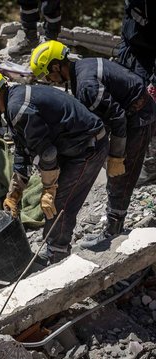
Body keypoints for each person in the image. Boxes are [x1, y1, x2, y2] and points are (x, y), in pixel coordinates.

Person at [0, 69, 108, 265]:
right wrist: (14, 193)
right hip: (73, 146)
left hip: (87, 148)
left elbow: (47, 153)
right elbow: (23, 151)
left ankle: (56, 255)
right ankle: (55, 250)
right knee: (56, 202)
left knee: (59, 204)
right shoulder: (14, 105)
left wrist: (49, 189)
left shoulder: (18, 108)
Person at [29, 40, 156, 248]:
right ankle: (114, 226)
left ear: (55, 66)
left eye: (48, 75)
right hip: (136, 110)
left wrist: (116, 156)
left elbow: (117, 118)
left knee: (121, 176)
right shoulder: (81, 69)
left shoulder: (86, 85)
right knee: (119, 173)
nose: (50, 81)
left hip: (138, 117)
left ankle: (113, 232)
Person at [116, 0, 156, 186]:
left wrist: (154, 81)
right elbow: (130, 16)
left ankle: (150, 167)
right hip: (133, 49)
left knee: (149, 111)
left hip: (150, 57)